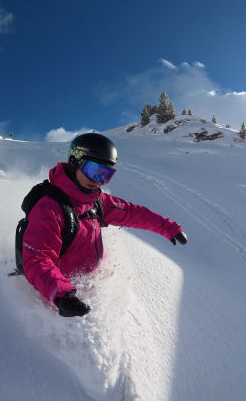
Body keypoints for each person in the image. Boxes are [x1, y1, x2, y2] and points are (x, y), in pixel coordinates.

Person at [22, 132, 187, 317]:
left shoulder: (97, 201)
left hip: (86, 287)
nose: (98, 180)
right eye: (94, 171)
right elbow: (37, 260)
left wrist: (167, 227)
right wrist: (63, 295)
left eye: (105, 174)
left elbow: (132, 212)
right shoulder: (50, 207)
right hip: (59, 297)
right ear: (76, 161)